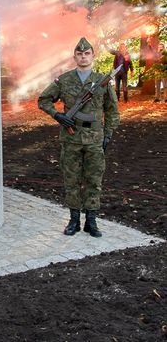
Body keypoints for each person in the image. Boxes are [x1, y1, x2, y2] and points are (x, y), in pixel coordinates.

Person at [38, 37, 120, 238]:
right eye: (79, 54)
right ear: (74, 56)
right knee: (71, 180)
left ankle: (91, 221)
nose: (83, 57)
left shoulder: (102, 81)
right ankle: (74, 220)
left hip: (94, 139)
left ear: (93, 56)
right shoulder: (64, 80)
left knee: (94, 179)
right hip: (71, 138)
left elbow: (112, 111)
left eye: (87, 53)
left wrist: (108, 134)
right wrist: (58, 115)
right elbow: (43, 100)